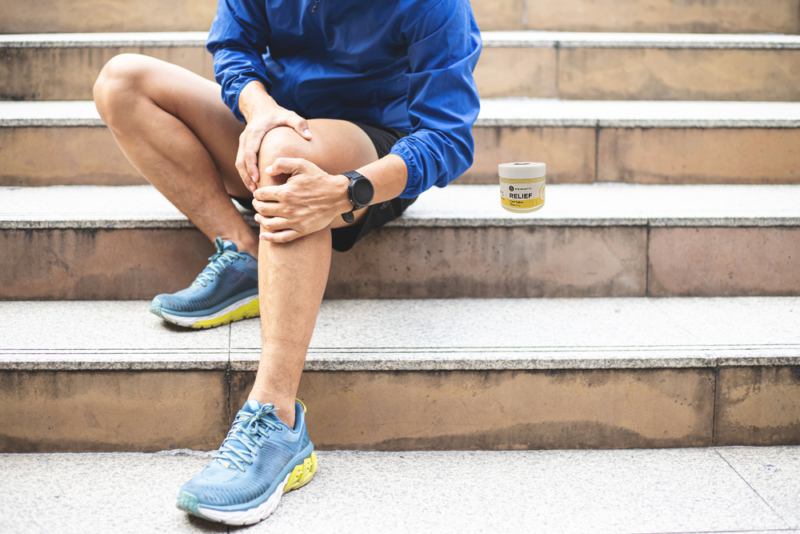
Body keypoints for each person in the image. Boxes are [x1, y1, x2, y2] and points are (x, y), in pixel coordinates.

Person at [93, 0, 480, 525]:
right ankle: (244, 252)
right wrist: (260, 111)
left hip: (370, 156)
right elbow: (234, 47)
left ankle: (275, 419)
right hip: (276, 126)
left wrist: (349, 190)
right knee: (122, 80)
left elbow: (448, 137)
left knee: (284, 159)